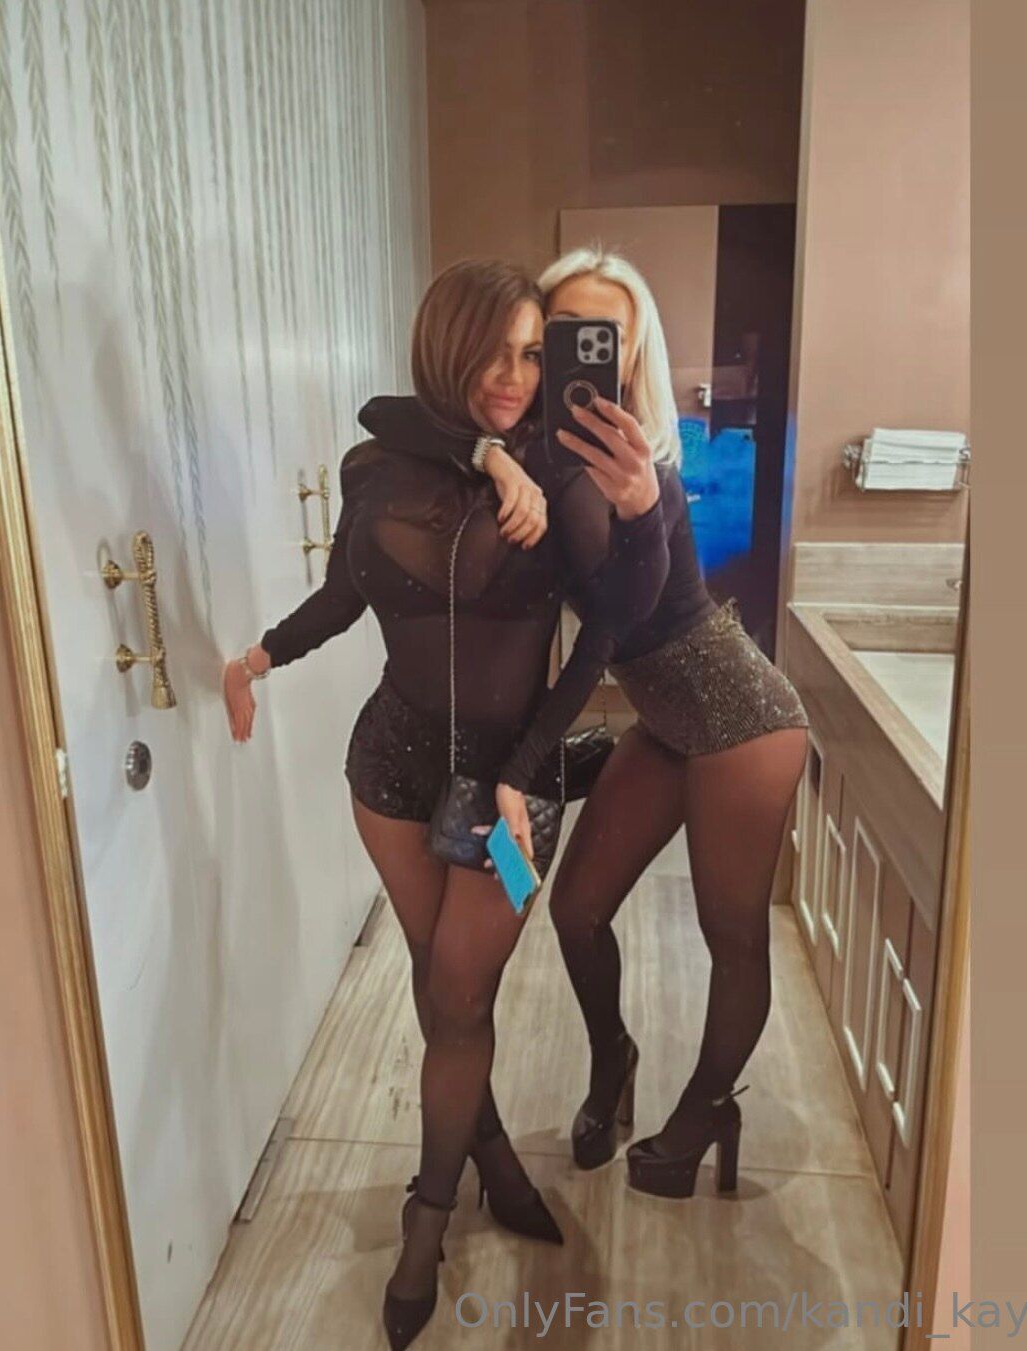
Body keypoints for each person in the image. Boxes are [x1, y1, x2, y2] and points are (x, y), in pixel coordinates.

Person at [222, 259, 668, 1350]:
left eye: (532, 354)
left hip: (512, 805)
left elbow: (606, 632)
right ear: (446, 348)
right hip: (388, 772)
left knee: (461, 993)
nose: (515, 376)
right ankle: (494, 1154)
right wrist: (260, 656)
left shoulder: (568, 472)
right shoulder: (380, 464)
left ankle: (426, 1219)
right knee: (443, 991)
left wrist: (526, 769)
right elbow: (345, 588)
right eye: (494, 352)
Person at [380, 246, 810, 1202]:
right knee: (576, 910)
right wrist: (490, 452)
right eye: (562, 332)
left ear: (631, 352)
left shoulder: (647, 466)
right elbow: (389, 417)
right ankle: (614, 1058)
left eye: (604, 337)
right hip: (663, 723)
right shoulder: (528, 450)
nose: (580, 353)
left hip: (742, 718)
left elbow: (627, 611)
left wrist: (646, 511)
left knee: (732, 935)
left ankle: (705, 1109)